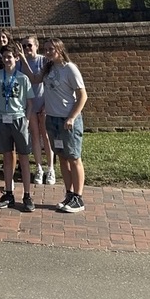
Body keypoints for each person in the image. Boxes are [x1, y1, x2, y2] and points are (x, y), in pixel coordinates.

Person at [36, 38, 87, 213]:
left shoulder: (70, 68)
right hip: (52, 119)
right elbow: (35, 79)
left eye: (51, 49)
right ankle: (69, 194)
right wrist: (22, 58)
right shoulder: (48, 68)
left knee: (74, 158)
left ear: (60, 49)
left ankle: (78, 199)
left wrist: (72, 117)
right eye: (46, 49)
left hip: (67, 120)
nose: (48, 52)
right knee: (62, 158)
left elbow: (83, 96)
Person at [0, 44, 35, 213]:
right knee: (7, 156)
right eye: (4, 57)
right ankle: (8, 193)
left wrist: (27, 120)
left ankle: (27, 195)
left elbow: (30, 103)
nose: (7, 60)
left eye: (10, 57)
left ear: (16, 58)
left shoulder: (23, 78)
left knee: (23, 158)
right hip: (1, 118)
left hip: (19, 119)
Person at [19, 35, 55, 185]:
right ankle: (39, 168)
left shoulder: (44, 60)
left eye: (29, 45)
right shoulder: (20, 63)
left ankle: (51, 168)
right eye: (24, 46)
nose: (27, 48)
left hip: (44, 103)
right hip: (30, 104)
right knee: (34, 136)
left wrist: (47, 104)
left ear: (36, 46)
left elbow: (37, 79)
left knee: (45, 136)